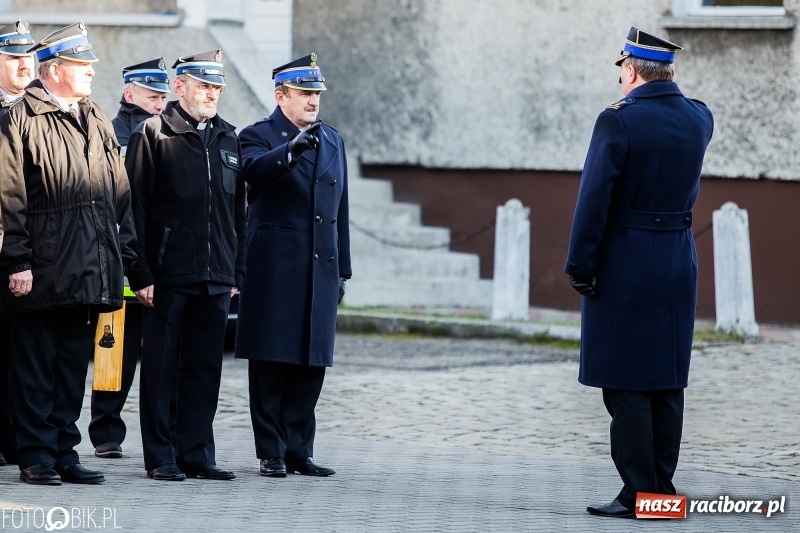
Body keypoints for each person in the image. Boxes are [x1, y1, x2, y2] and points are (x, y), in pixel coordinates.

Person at [564, 27, 713, 518]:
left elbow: (594, 199)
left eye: (620, 70)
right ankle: (663, 492)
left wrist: (581, 264)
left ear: (630, 69)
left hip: (626, 259)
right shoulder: (699, 118)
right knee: (666, 379)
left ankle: (638, 494)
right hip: (677, 258)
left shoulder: (617, 121)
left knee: (625, 380)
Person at [0, 22, 137, 486]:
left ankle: (63, 449)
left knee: (71, 367)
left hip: (89, 268)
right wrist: (17, 260)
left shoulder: (95, 117)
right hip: (42, 265)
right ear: (55, 69)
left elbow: (119, 196)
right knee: (35, 366)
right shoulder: (21, 117)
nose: (91, 73)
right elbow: (9, 194)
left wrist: (129, 261)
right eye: (82, 66)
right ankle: (35, 454)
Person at [125, 49, 245, 482]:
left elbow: (237, 214)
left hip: (216, 275)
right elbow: (133, 208)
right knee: (160, 368)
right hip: (167, 273)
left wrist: (236, 271)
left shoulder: (230, 138)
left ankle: (196, 452)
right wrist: (139, 272)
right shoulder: (153, 134)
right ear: (181, 87)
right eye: (204, 86)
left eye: (216, 87)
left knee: (203, 368)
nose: (211, 94)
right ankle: (160, 455)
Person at [235, 53, 351, 478]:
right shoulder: (257, 135)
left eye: (316, 94)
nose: (313, 101)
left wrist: (344, 269)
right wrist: (290, 150)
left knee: (310, 364)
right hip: (275, 269)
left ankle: (300, 450)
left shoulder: (333, 140)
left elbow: (341, 209)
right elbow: (253, 172)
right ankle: (271, 451)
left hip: (320, 267)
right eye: (304, 93)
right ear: (281, 96)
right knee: (271, 362)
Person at [89, 57, 169, 460]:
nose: (159, 103)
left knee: (153, 355)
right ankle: (105, 430)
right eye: (153, 95)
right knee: (111, 354)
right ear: (129, 93)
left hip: (156, 260)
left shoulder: (166, 133)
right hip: (117, 266)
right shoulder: (112, 133)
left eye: (162, 97)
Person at [0, 20, 35, 469]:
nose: (24, 64)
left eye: (29, 57)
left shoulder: (37, 111)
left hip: (25, 251)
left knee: (19, 353)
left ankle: (14, 439)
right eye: (13, 56)